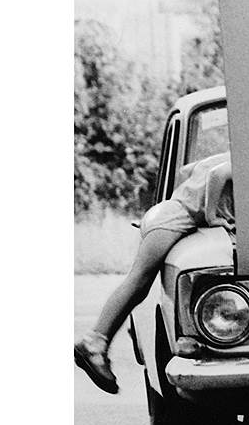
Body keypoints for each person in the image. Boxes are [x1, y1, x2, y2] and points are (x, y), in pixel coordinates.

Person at [74, 152, 234, 394]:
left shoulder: (225, 155)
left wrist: (193, 195)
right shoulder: (242, 158)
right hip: (176, 218)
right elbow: (218, 175)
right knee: (138, 281)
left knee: (140, 284)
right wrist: (212, 215)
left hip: (169, 212)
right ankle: (94, 342)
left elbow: (188, 171)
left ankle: (97, 342)